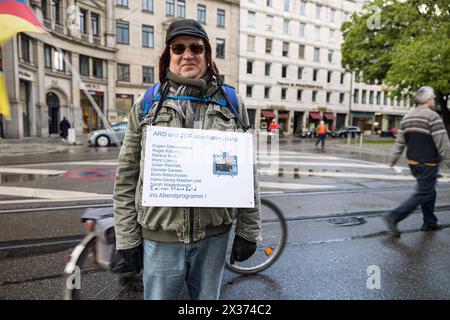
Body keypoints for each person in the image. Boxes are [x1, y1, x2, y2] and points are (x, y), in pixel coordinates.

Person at [113, 19, 261, 300]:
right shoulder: (147, 105)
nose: (187, 54)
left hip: (214, 237)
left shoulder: (232, 103)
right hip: (160, 237)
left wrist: (248, 230)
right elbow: (126, 177)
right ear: (168, 55)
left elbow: (247, 174)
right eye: (178, 48)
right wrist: (127, 236)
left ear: (207, 54)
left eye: (196, 47)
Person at [383, 86, 450, 236]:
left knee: (428, 191)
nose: (434, 100)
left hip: (413, 163)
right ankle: (394, 216)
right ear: (427, 100)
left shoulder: (407, 117)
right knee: (424, 193)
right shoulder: (432, 117)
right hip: (428, 163)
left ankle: (429, 222)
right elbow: (443, 144)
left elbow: (400, 142)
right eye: (432, 98)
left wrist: (392, 159)